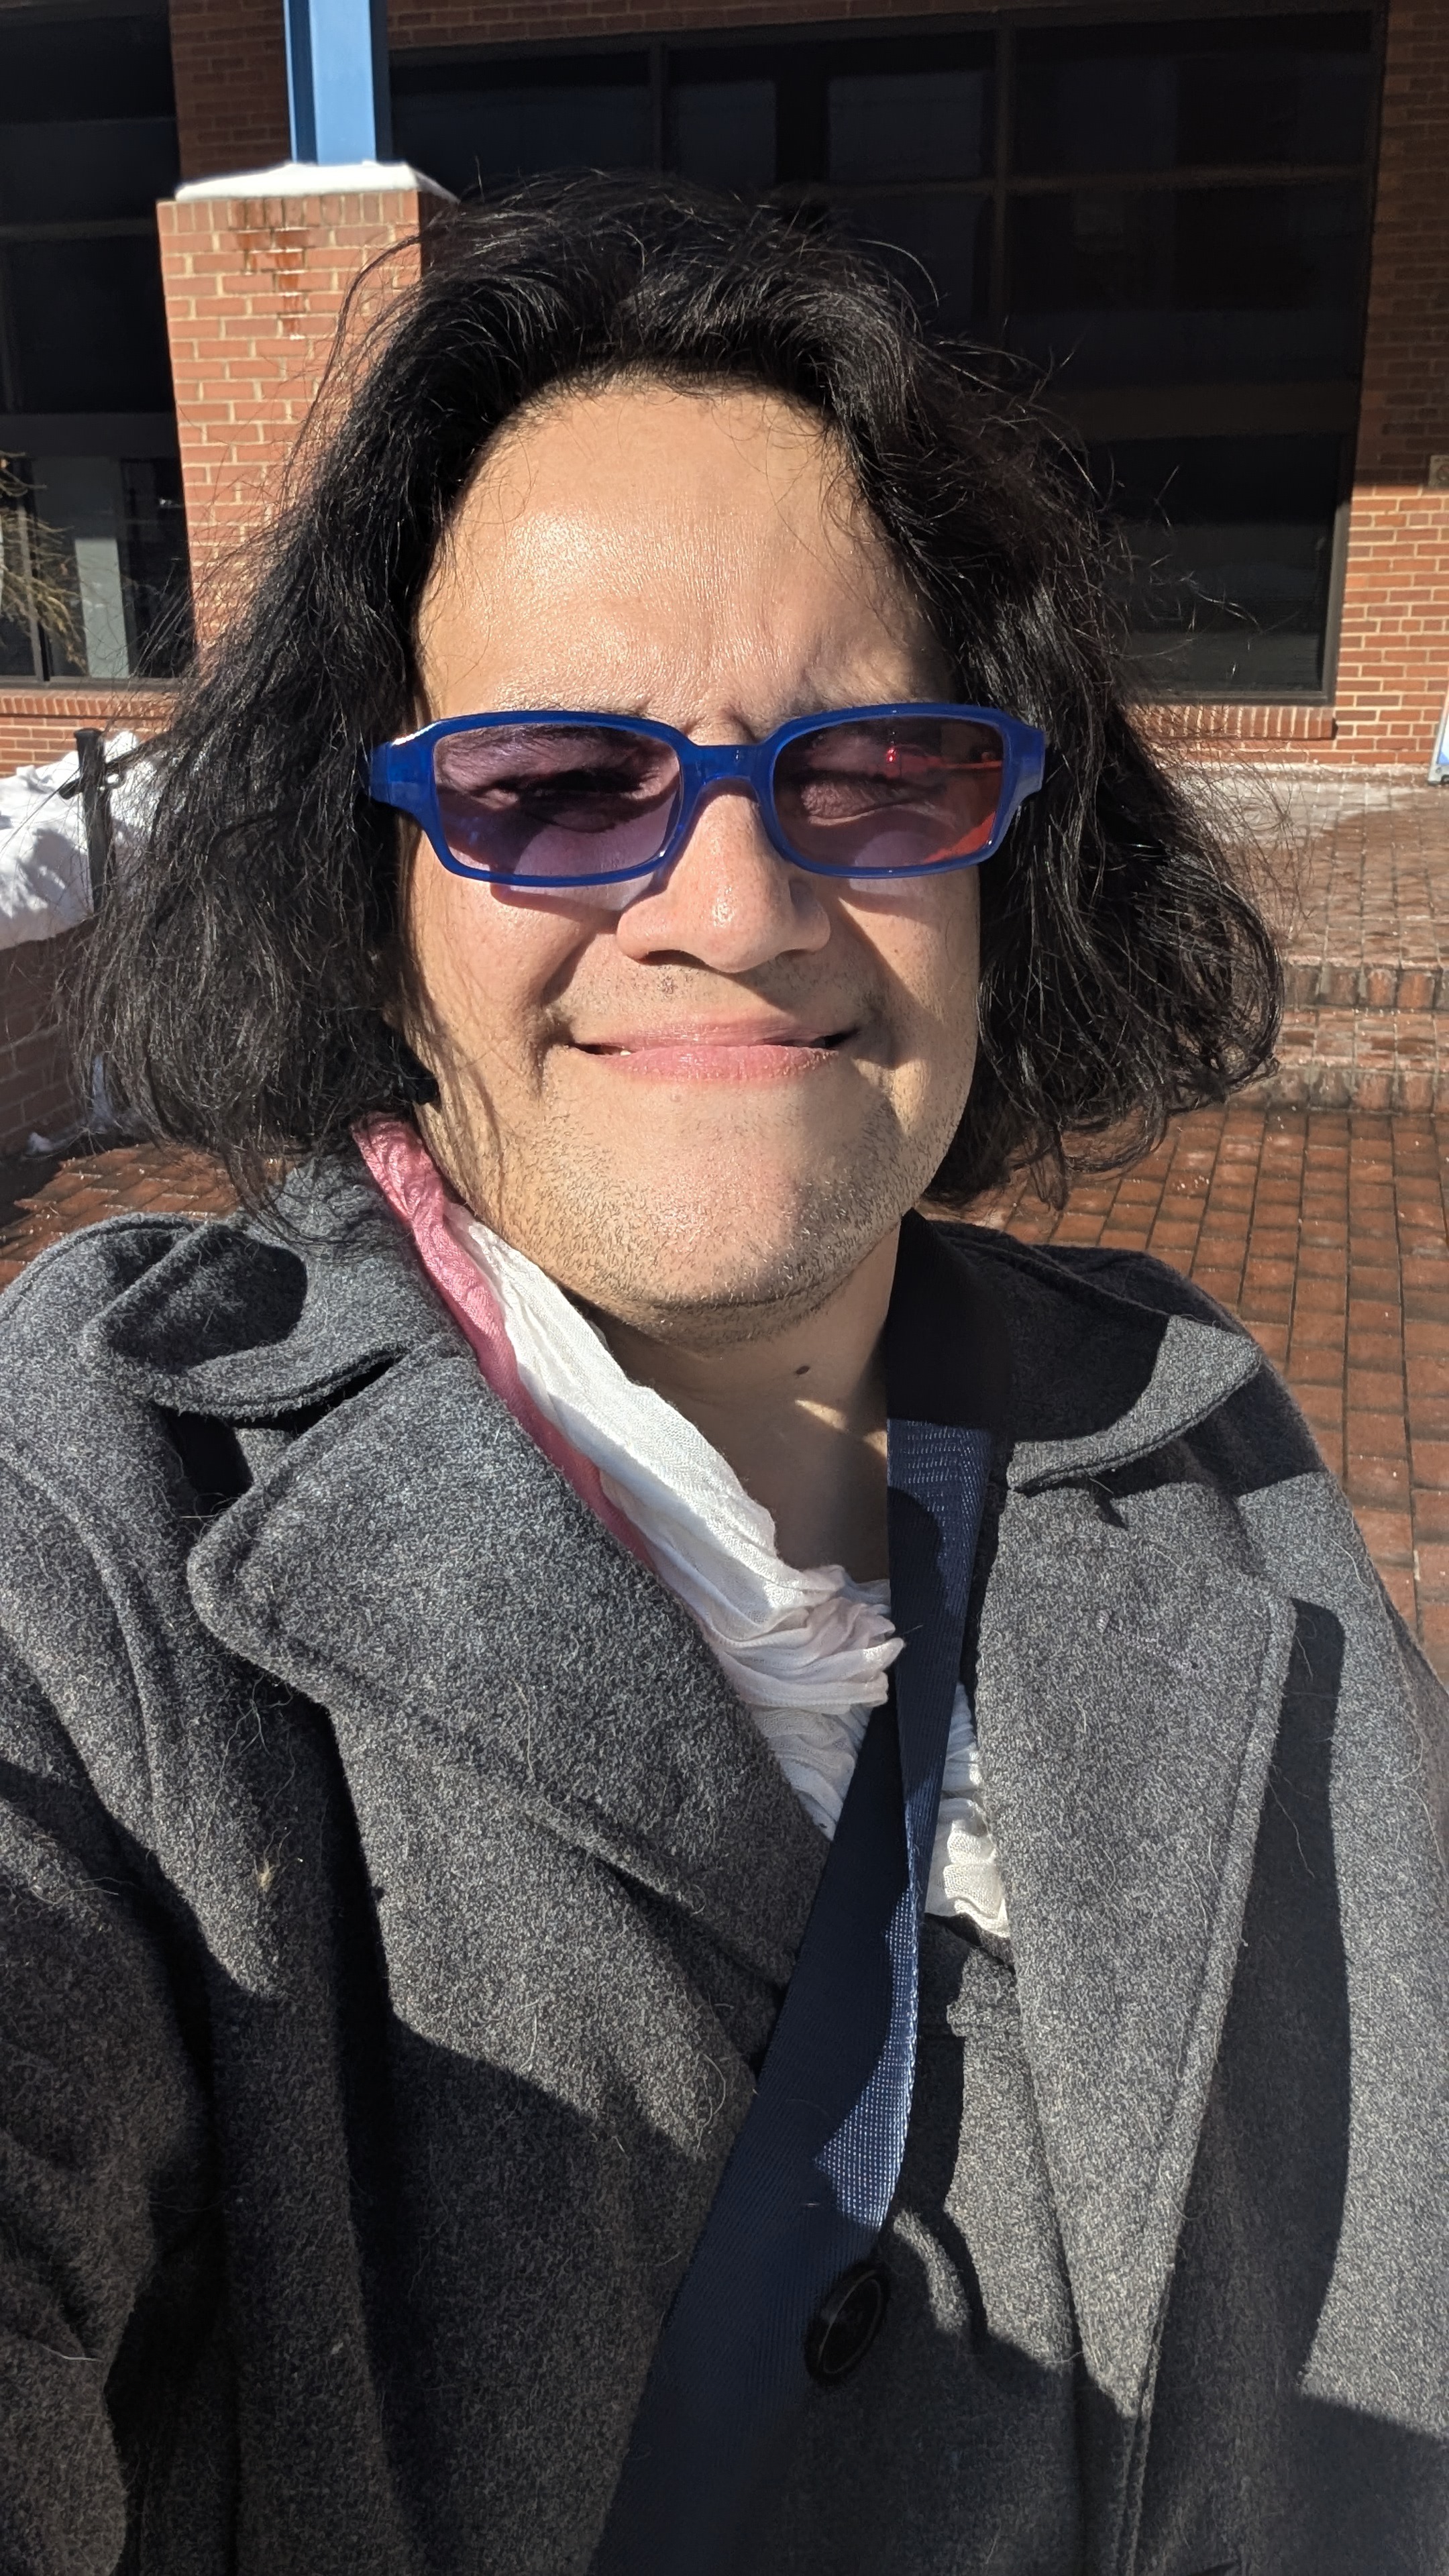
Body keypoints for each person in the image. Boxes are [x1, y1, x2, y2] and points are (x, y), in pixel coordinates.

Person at [1, 176, 1444, 2576]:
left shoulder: (1220, 1459)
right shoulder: (103, 1520)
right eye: (553, 784)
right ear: (376, 891)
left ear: (1004, 857)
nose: (739, 906)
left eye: (870, 772)